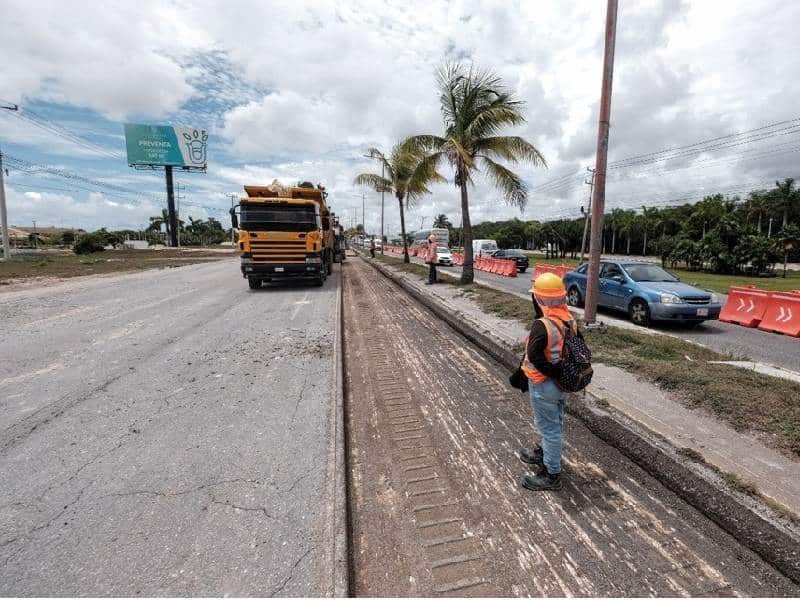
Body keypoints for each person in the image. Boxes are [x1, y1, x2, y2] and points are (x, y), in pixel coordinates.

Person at [519, 272, 577, 491]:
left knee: (549, 429)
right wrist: (559, 373)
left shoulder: (542, 325)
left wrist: (552, 372)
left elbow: (535, 356)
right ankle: (543, 453)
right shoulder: (569, 319)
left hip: (544, 384)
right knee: (556, 422)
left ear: (539, 298)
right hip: (562, 384)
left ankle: (551, 474)